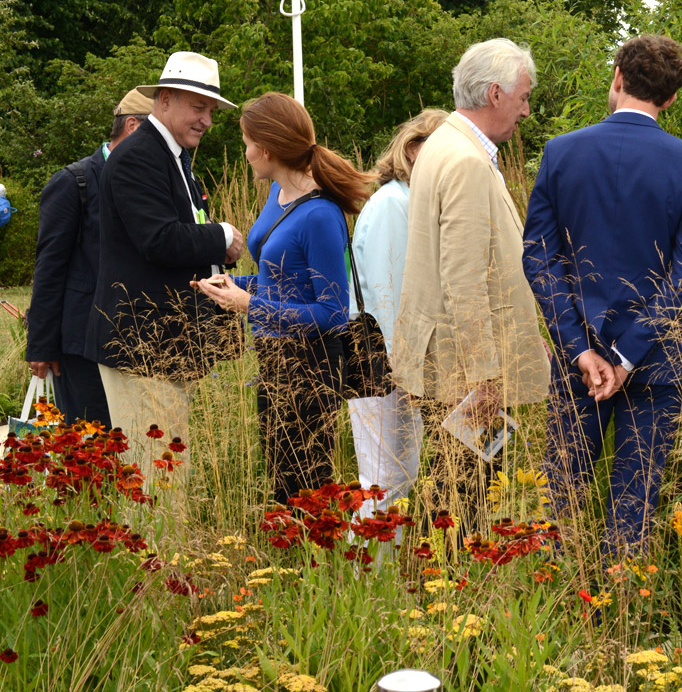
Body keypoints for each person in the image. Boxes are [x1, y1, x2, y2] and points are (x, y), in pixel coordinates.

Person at [522, 34, 682, 555]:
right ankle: (622, 616)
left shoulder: (561, 152)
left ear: (617, 78)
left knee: (558, 498)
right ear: (671, 98)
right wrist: (629, 353)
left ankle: (548, 608)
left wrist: (580, 348)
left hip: (576, 360)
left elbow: (538, 256)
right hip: (656, 363)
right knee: (635, 505)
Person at [394, 39, 549, 532]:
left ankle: (435, 588)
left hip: (448, 357)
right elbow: (462, 279)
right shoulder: (463, 159)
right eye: (524, 97)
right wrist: (484, 375)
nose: (526, 110)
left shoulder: (444, 144)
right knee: (463, 500)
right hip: (465, 370)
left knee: (450, 489)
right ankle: (446, 594)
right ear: (497, 93)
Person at [195, 91, 368, 506]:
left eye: (246, 141)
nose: (246, 150)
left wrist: (248, 305)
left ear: (267, 148)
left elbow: (331, 313)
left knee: (303, 487)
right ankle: (290, 563)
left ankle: (315, 565)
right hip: (273, 356)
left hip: (311, 366)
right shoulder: (278, 194)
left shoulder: (321, 215)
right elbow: (284, 281)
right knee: (279, 479)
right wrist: (236, 288)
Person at [87, 52, 244, 468]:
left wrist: (217, 252)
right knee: (157, 484)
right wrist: (221, 235)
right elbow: (158, 239)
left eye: (211, 110)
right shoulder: (140, 156)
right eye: (198, 107)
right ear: (165, 100)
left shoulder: (172, 155)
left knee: (167, 477)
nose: (207, 120)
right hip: (141, 347)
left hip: (163, 347)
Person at [26, 88, 154, 427]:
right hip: (82, 347)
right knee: (90, 450)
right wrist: (41, 346)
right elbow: (49, 268)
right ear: (133, 127)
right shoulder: (74, 182)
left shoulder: (154, 184)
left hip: (137, 341)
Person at [347, 108, 448, 518]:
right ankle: (364, 577)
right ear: (412, 149)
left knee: (397, 477)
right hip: (382, 364)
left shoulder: (411, 203)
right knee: (384, 482)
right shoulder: (393, 203)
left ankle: (373, 576)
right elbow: (388, 297)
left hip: (398, 366)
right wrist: (406, 370)